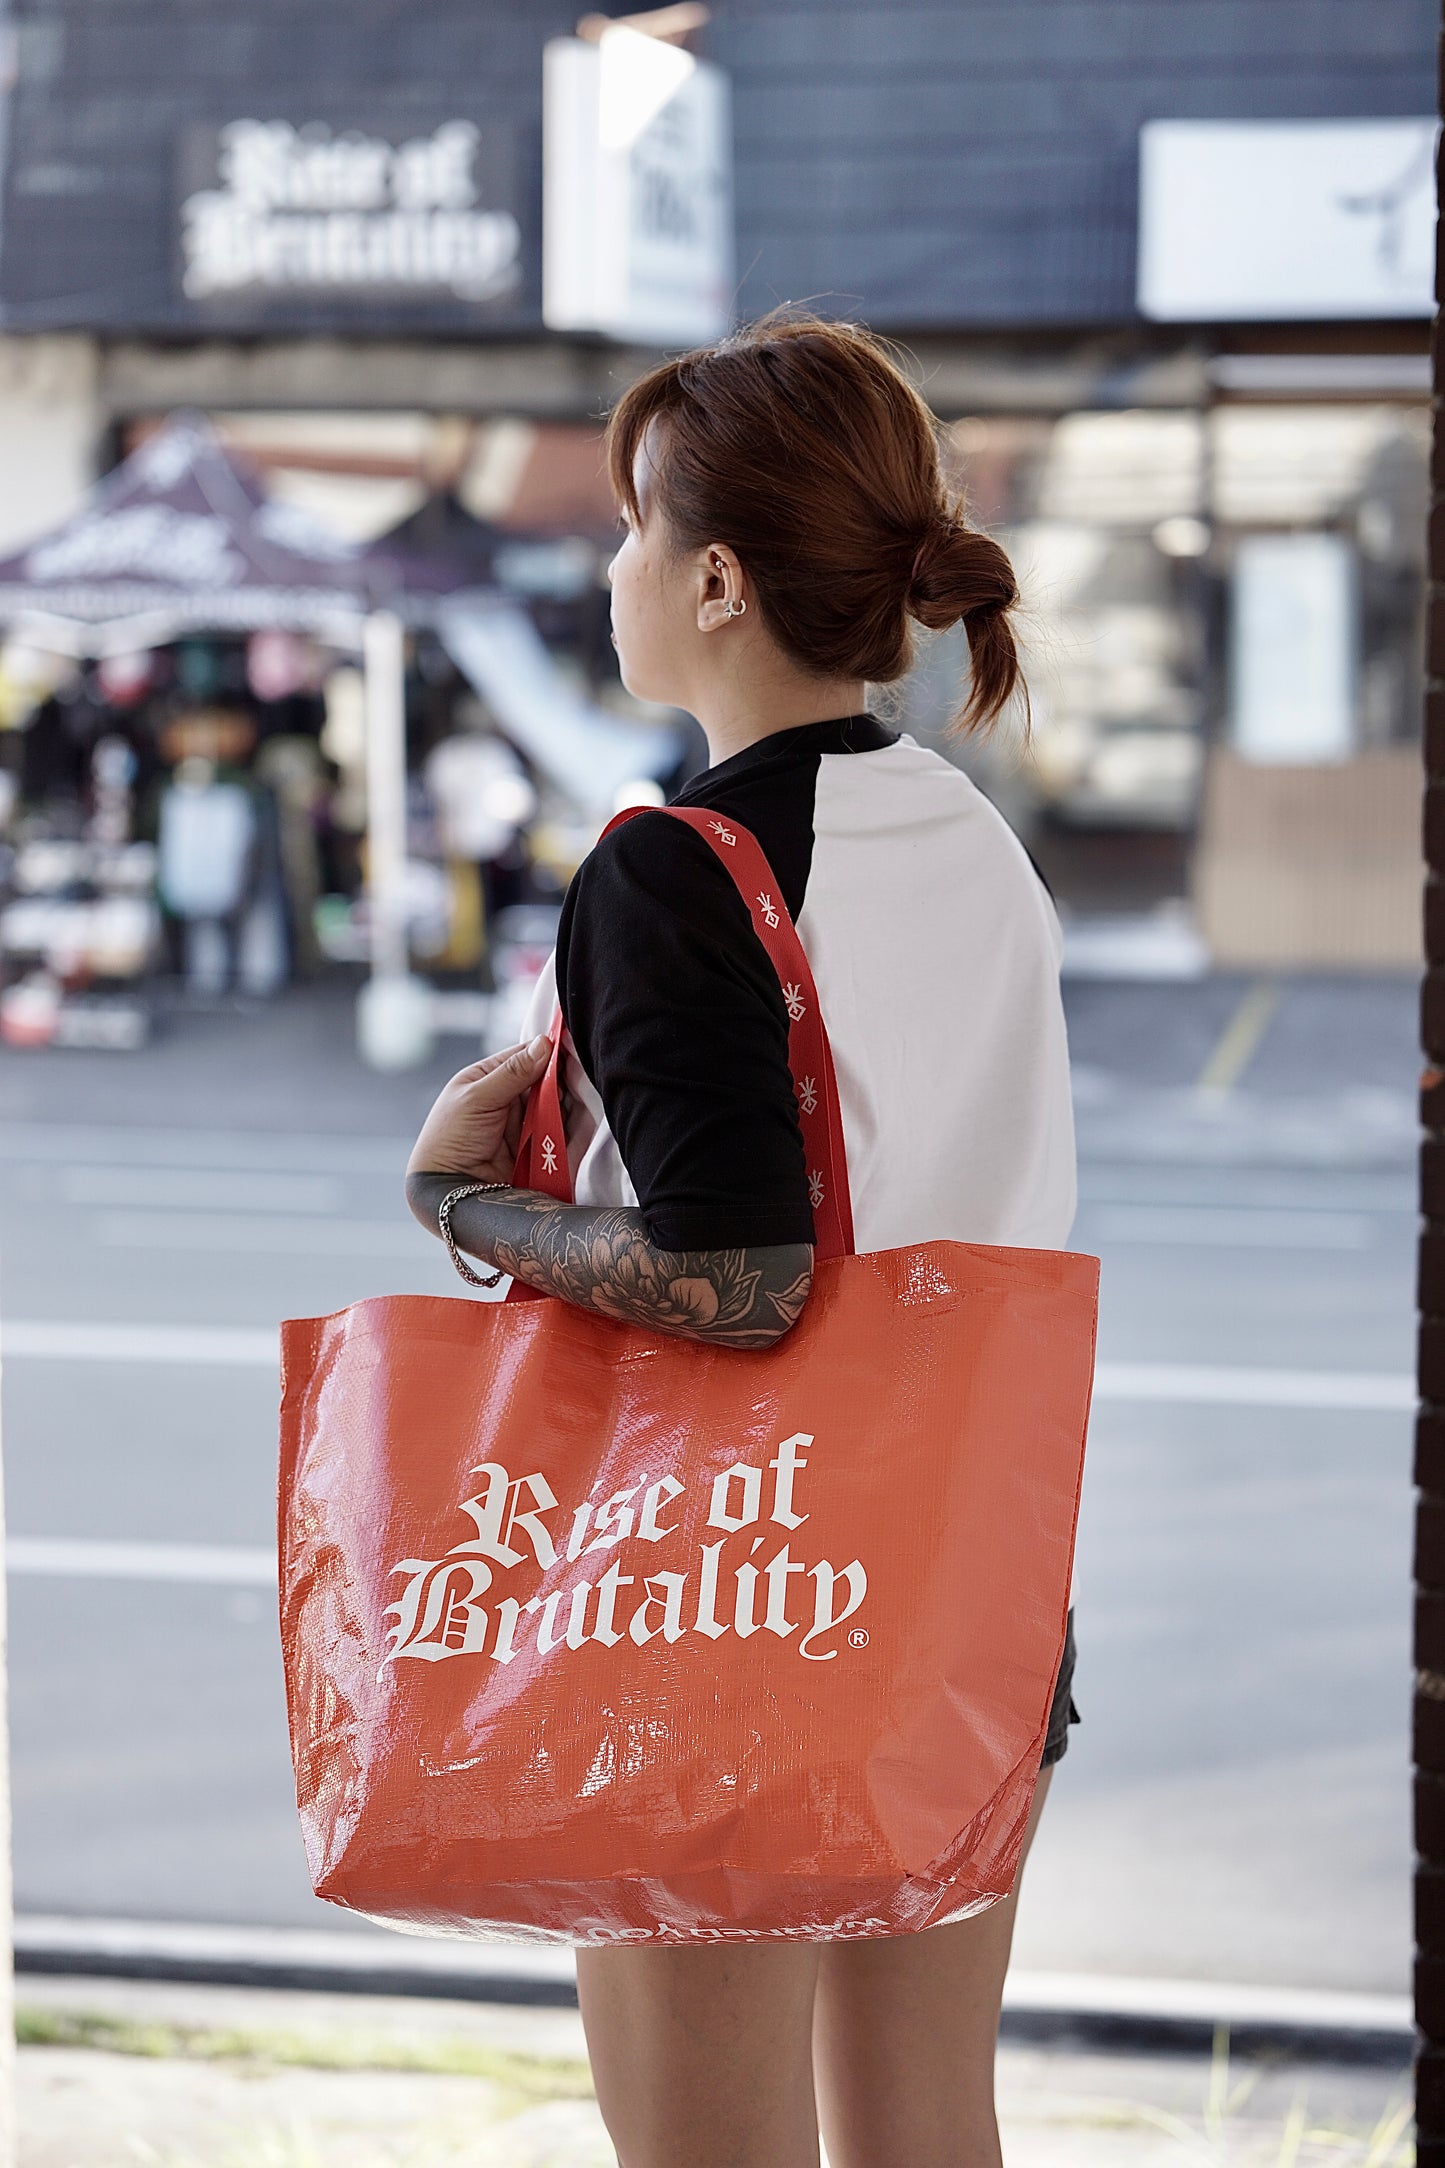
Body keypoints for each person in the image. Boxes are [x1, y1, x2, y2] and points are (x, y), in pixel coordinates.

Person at [405, 312, 1078, 2168]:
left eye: (628, 530)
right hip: (977, 1593)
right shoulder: (969, 839)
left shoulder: (671, 867)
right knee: (927, 2132)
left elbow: (735, 1280)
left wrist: (471, 1207)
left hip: (741, 1601)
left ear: (714, 578)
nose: (607, 569)